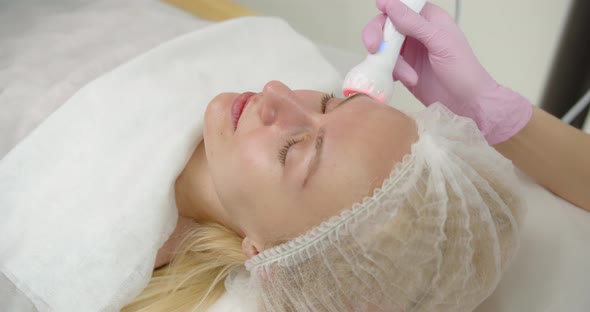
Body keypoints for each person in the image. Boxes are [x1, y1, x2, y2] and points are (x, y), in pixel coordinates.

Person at [124, 1, 589, 311]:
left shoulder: (100, 237)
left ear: (265, 253)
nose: (275, 92)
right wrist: (495, 112)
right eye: (330, 101)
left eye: (291, 151)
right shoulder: (270, 50)